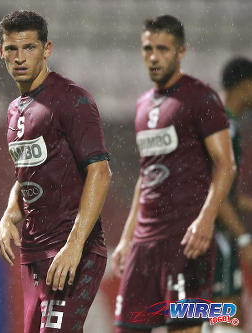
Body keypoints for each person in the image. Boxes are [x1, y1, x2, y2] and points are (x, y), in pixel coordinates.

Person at [112, 15, 236, 333]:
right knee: (127, 327)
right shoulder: (142, 105)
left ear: (181, 51)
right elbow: (146, 174)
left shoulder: (200, 98)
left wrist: (206, 220)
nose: (153, 56)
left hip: (185, 242)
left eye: (163, 49)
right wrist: (127, 239)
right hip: (144, 245)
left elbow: (226, 165)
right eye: (148, 48)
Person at [0, 10, 112, 333]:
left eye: (29, 48)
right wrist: (9, 215)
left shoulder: (71, 99)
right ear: (0, 51)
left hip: (72, 249)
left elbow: (100, 173)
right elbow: (26, 175)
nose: (20, 58)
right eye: (12, 49)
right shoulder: (14, 109)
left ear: (47, 49)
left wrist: (74, 247)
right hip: (33, 254)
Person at [205, 57, 252, 333]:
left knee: (222, 313)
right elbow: (215, 189)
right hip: (218, 234)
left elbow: (224, 191)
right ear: (245, 86)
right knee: (228, 312)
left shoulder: (217, 118)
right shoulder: (226, 126)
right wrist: (244, 238)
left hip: (211, 230)